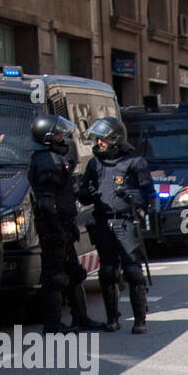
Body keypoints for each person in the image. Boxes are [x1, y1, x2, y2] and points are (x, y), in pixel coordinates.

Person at [27, 114, 104, 335]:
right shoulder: (46, 161)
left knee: (74, 272)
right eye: (59, 133)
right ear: (49, 137)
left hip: (63, 225)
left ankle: (81, 317)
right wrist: (58, 230)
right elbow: (47, 202)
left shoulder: (52, 157)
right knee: (56, 276)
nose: (63, 137)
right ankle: (52, 323)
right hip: (54, 228)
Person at [78, 116, 154, 333]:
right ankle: (112, 319)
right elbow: (83, 196)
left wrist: (134, 199)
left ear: (115, 139)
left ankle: (140, 320)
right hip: (103, 221)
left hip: (126, 221)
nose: (99, 143)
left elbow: (149, 194)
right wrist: (87, 193)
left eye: (103, 139)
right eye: (98, 139)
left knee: (133, 271)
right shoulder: (94, 164)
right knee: (108, 272)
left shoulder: (134, 162)